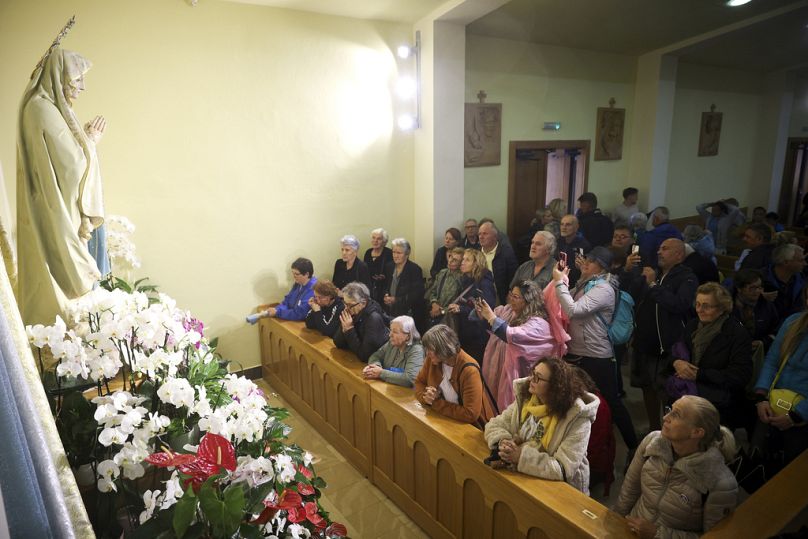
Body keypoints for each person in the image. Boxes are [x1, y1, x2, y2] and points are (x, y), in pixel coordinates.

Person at [17, 48, 108, 326]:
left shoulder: (45, 106)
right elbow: (71, 167)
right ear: (59, 77)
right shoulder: (41, 109)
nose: (83, 87)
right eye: (78, 79)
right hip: (56, 212)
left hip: (58, 206)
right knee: (64, 301)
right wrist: (90, 140)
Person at [553, 246, 639, 452]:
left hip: (597, 355)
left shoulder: (604, 289)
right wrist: (562, 280)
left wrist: (558, 282)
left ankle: (635, 449)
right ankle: (581, 447)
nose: (584, 264)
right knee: (573, 399)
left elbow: (574, 310)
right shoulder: (585, 283)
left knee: (612, 402)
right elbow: (562, 300)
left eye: (590, 262)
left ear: (601, 268)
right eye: (585, 260)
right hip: (576, 352)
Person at [615, 396, 739, 538]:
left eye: (676, 415)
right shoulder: (652, 441)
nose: (665, 417)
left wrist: (657, 534)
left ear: (697, 432)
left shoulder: (721, 483)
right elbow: (630, 490)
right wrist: (616, 523)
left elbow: (712, 537)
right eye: (670, 410)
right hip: (631, 529)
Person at [483, 358, 599, 494]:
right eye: (533, 373)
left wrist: (521, 456)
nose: (531, 379)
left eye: (538, 378)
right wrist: (504, 442)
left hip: (560, 491)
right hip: (523, 479)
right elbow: (495, 424)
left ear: (555, 386)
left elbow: (562, 469)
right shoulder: (528, 399)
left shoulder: (577, 418)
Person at [629, 239, 699, 431]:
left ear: (679, 255)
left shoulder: (687, 278)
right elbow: (633, 297)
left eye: (665, 249)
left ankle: (669, 429)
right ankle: (653, 428)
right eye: (659, 248)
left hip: (666, 346)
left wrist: (652, 285)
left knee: (666, 391)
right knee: (646, 387)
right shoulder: (656, 274)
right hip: (644, 342)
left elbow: (679, 304)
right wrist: (632, 272)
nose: (659, 252)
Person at [667, 283, 752, 428]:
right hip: (687, 396)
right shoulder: (693, 326)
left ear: (721, 308)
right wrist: (676, 363)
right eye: (698, 304)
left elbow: (739, 376)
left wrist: (699, 375)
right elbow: (674, 353)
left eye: (707, 306)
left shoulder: (736, 334)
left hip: (717, 404)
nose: (700, 310)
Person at [476, 281, 557, 410]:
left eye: (516, 297)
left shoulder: (538, 323)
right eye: (511, 295)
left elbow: (512, 335)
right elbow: (491, 324)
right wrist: (482, 312)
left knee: (514, 409)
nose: (511, 299)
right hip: (498, 370)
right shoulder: (509, 310)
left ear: (528, 300)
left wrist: (491, 317)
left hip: (522, 375)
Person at [752, 305, 808, 468]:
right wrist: (761, 397)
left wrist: (796, 416)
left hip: (802, 419)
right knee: (758, 462)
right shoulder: (793, 322)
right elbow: (772, 361)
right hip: (772, 404)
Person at [414, 324, 496, 429]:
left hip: (472, 428)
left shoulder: (469, 370)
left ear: (444, 349)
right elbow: (419, 382)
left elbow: (470, 414)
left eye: (431, 349)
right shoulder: (433, 360)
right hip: (443, 419)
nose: (427, 353)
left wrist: (435, 403)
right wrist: (426, 397)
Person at [447, 249, 498, 363]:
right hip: (465, 331)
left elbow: (486, 309)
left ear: (476, 263)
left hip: (478, 334)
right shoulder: (466, 280)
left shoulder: (485, 283)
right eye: (463, 259)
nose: (462, 262)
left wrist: (461, 309)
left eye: (467, 260)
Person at [333, 282, 389, 362]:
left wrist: (349, 330)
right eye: (345, 304)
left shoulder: (373, 319)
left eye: (350, 305)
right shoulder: (352, 311)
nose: (346, 308)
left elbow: (365, 356)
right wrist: (344, 327)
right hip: (353, 357)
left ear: (363, 303)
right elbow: (337, 342)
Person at [362, 316, 424, 388]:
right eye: (391, 330)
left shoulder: (417, 350)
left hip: (404, 395)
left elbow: (410, 379)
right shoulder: (392, 343)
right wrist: (375, 367)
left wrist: (381, 373)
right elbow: (375, 356)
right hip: (387, 388)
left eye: (395, 332)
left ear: (408, 336)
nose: (390, 335)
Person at [249, 258, 317, 322]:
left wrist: (278, 312)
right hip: (292, 321)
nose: (293, 276)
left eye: (296, 274)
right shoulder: (298, 284)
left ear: (307, 274)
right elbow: (287, 302)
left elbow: (300, 313)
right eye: (293, 273)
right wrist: (275, 309)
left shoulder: (313, 289)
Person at [730, 269, 779, 351]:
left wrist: (763, 342)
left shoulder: (766, 306)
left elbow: (776, 330)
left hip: (759, 352)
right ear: (739, 288)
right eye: (752, 288)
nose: (757, 291)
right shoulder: (727, 306)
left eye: (759, 287)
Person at [383, 238, 425, 325]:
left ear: (406, 254)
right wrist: (386, 295)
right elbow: (386, 286)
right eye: (394, 252)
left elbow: (416, 294)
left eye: (399, 253)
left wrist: (396, 300)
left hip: (408, 313)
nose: (395, 255)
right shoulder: (389, 267)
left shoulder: (415, 269)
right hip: (391, 310)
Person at [478, 221, 518, 305]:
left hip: (500, 297)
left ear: (495, 236)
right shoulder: (476, 253)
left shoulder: (506, 252)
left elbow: (513, 277)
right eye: (479, 234)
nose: (481, 237)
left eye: (485, 234)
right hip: (479, 295)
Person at [763, 243, 807, 320]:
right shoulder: (760, 278)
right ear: (786, 262)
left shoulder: (801, 281)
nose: (805, 264)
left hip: (789, 326)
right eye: (801, 260)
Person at [426, 247, 464, 327]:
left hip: (452, 318)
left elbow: (461, 303)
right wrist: (434, 304)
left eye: (455, 260)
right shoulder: (442, 273)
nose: (450, 261)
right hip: (435, 313)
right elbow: (433, 292)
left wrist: (442, 311)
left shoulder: (462, 278)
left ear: (461, 263)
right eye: (450, 257)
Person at [557, 214, 591, 287]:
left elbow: (577, 268)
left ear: (576, 227)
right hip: (558, 278)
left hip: (573, 283)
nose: (564, 227)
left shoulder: (582, 245)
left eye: (568, 225)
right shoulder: (560, 240)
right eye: (562, 224)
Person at [363, 228, 393, 304]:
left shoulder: (389, 253)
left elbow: (392, 273)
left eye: (379, 239)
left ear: (384, 242)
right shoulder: (368, 252)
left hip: (384, 290)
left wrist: (384, 276)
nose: (375, 241)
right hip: (369, 289)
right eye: (373, 238)